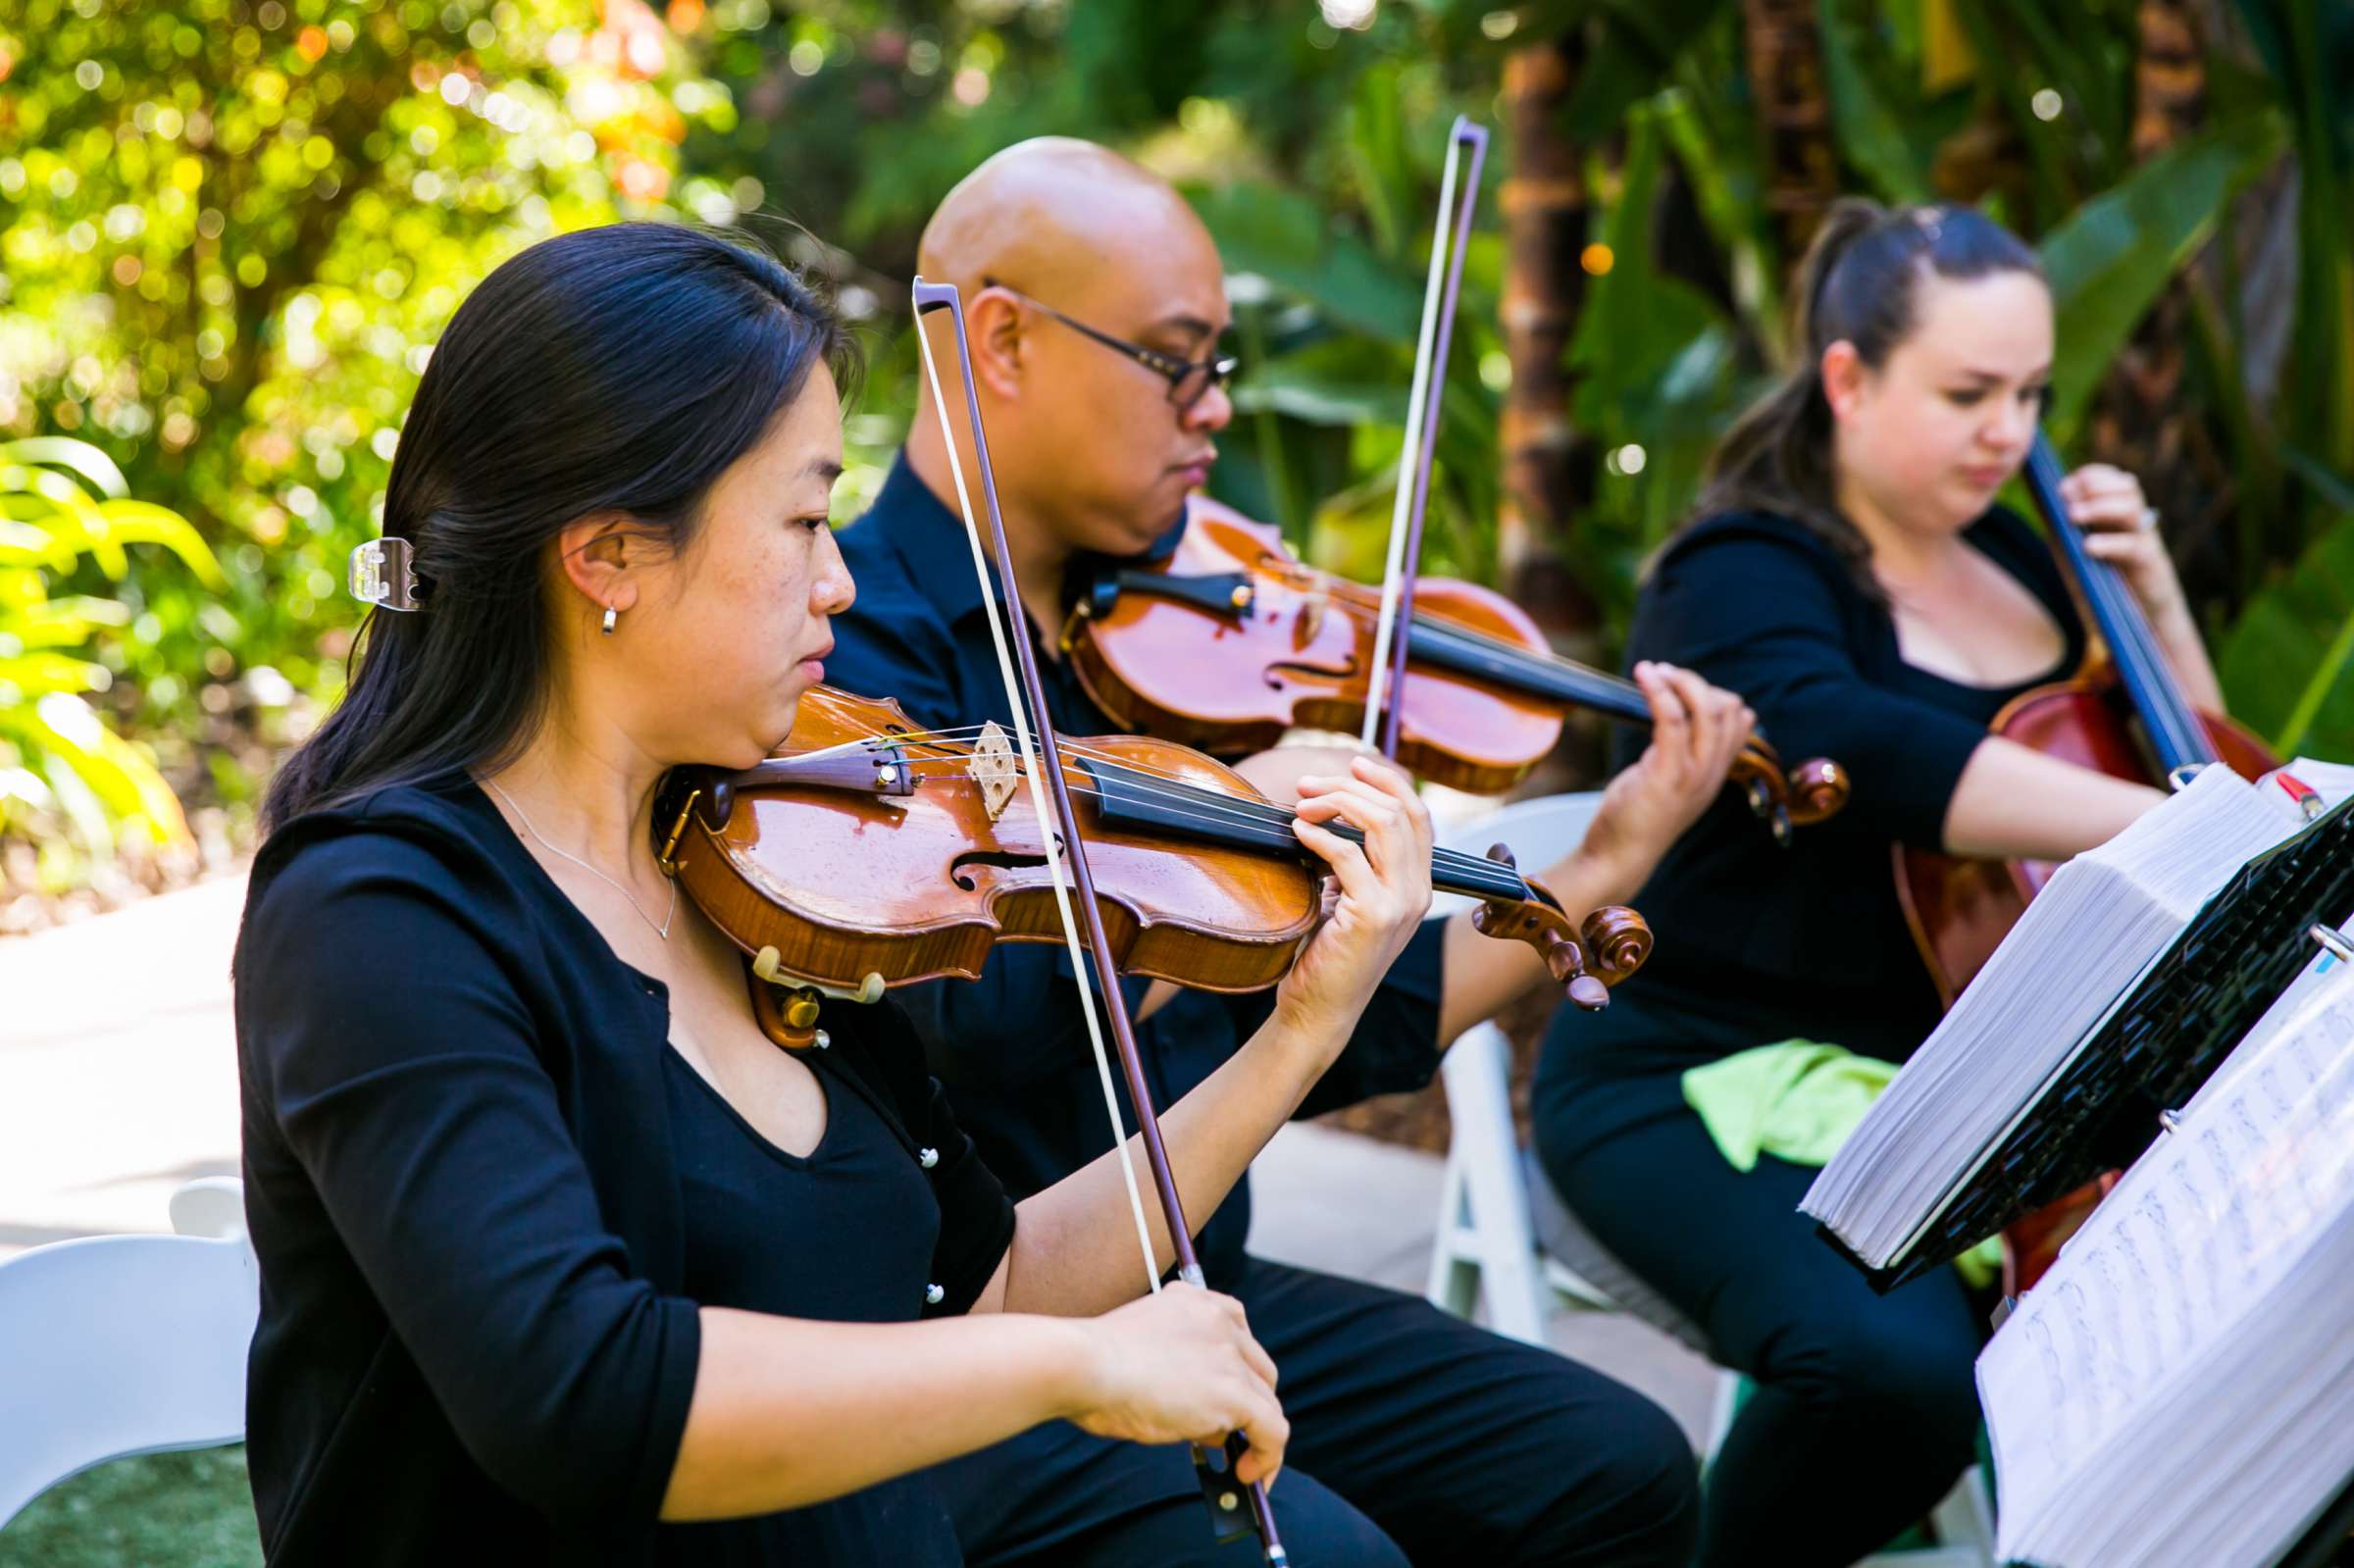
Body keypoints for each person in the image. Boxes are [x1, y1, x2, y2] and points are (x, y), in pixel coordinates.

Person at [233, 220, 1448, 1565]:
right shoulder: (380, 918)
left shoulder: (761, 865)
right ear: (609, 556)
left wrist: (1302, 1031)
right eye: (806, 517)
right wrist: (1071, 1372)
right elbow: (582, 1397)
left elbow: (988, 1284)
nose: (842, 579)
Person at [830, 135, 1755, 1567]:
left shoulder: (1160, 648)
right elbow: (979, 1026)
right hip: (981, 1335)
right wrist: (1191, 827)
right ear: (1000, 341)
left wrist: (1609, 857)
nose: (1211, 415)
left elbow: (1364, 1017)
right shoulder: (855, 663)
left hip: (1207, 1283)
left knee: (1618, 1469)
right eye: (1177, 363)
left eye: (1222, 370)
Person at [1529, 197, 2218, 1568]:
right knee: (1895, 1376)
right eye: (1967, 392)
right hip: (1702, 1082)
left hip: (1986, 1097)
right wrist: (2163, 830)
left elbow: (2205, 765)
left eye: (2030, 394)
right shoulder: (1741, 570)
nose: (2009, 435)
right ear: (1847, 377)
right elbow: (1853, 737)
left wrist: (2153, 612)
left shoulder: (2029, 563)